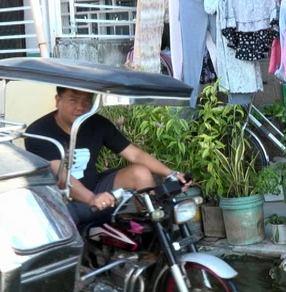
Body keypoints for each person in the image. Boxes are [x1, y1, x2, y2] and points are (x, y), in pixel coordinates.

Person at [24, 87, 188, 225]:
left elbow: (135, 154)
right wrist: (92, 198)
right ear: (57, 100)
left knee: (140, 172)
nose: (81, 107)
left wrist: (172, 174)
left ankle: (149, 229)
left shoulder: (96, 123)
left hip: (95, 191)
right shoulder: (39, 131)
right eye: (73, 100)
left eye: (87, 101)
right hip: (60, 202)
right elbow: (60, 176)